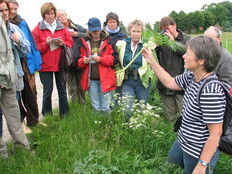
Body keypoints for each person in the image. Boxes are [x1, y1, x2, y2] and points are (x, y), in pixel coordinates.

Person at [143, 36, 225, 174]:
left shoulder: (211, 90)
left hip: (197, 150)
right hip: (182, 140)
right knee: (170, 167)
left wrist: (202, 165)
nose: (184, 56)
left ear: (201, 61)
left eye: (188, 53)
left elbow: (215, 133)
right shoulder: (191, 76)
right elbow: (169, 82)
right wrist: (151, 61)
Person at [32, 2, 73, 118]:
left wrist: (63, 43)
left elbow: (70, 43)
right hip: (45, 65)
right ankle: (47, 115)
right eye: (47, 14)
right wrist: (46, 43)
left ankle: (65, 115)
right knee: (47, 91)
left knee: (62, 90)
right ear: (43, 15)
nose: (50, 16)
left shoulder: (62, 28)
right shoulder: (37, 30)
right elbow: (35, 48)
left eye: (52, 13)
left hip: (61, 64)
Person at [0, 11, 30, 159]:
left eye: (7, 10)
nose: (5, 13)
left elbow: (26, 50)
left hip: (11, 77)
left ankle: (22, 147)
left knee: (14, 114)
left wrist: (18, 40)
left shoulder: (12, 28)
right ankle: (2, 153)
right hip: (2, 76)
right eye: (2, 11)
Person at [8, 0, 42, 129]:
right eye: (10, 9)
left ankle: (34, 122)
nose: (13, 11)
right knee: (16, 95)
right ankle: (21, 123)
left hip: (26, 61)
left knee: (31, 93)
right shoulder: (5, 25)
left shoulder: (22, 22)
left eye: (15, 9)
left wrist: (36, 61)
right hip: (13, 63)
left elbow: (31, 43)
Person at [78, 17, 118, 112]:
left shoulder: (109, 41)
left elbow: (114, 60)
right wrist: (83, 61)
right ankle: (97, 125)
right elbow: (79, 62)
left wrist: (101, 59)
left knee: (105, 107)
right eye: (93, 31)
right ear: (89, 31)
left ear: (100, 29)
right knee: (96, 107)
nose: (96, 33)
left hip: (106, 78)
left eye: (97, 30)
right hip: (91, 79)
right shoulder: (85, 42)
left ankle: (106, 125)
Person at [155, 16, 191, 122]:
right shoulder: (163, 40)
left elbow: (187, 53)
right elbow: (161, 59)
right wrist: (157, 46)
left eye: (168, 28)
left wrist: (172, 42)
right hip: (166, 83)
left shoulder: (187, 38)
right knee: (169, 115)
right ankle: (170, 135)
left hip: (181, 83)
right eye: (163, 29)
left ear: (174, 25)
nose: (166, 32)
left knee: (183, 114)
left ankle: (183, 136)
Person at [116, 19, 153, 117]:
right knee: (127, 108)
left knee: (142, 107)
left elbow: (154, 63)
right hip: (127, 80)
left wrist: (150, 76)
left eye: (138, 31)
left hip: (142, 80)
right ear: (129, 32)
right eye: (134, 31)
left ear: (141, 33)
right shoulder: (122, 44)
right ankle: (128, 129)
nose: (136, 34)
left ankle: (141, 130)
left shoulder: (147, 45)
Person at [57, 9, 86, 104]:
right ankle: (74, 106)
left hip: (79, 59)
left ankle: (83, 105)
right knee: (71, 86)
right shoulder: (58, 30)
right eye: (59, 16)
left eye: (62, 15)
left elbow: (88, 35)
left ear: (67, 15)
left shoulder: (77, 27)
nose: (61, 17)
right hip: (67, 61)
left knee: (81, 84)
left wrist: (78, 34)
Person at [103, 12, 128, 103]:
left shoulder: (123, 35)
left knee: (119, 85)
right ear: (107, 23)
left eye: (114, 22)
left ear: (117, 22)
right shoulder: (103, 35)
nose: (112, 24)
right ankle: (108, 105)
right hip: (107, 63)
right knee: (108, 85)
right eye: (110, 22)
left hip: (120, 64)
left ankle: (118, 105)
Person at [204, 26, 232, 90]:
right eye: (205, 39)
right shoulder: (202, 54)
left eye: (210, 40)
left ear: (219, 39)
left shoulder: (226, 58)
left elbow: (227, 84)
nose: (206, 42)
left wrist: (207, 90)